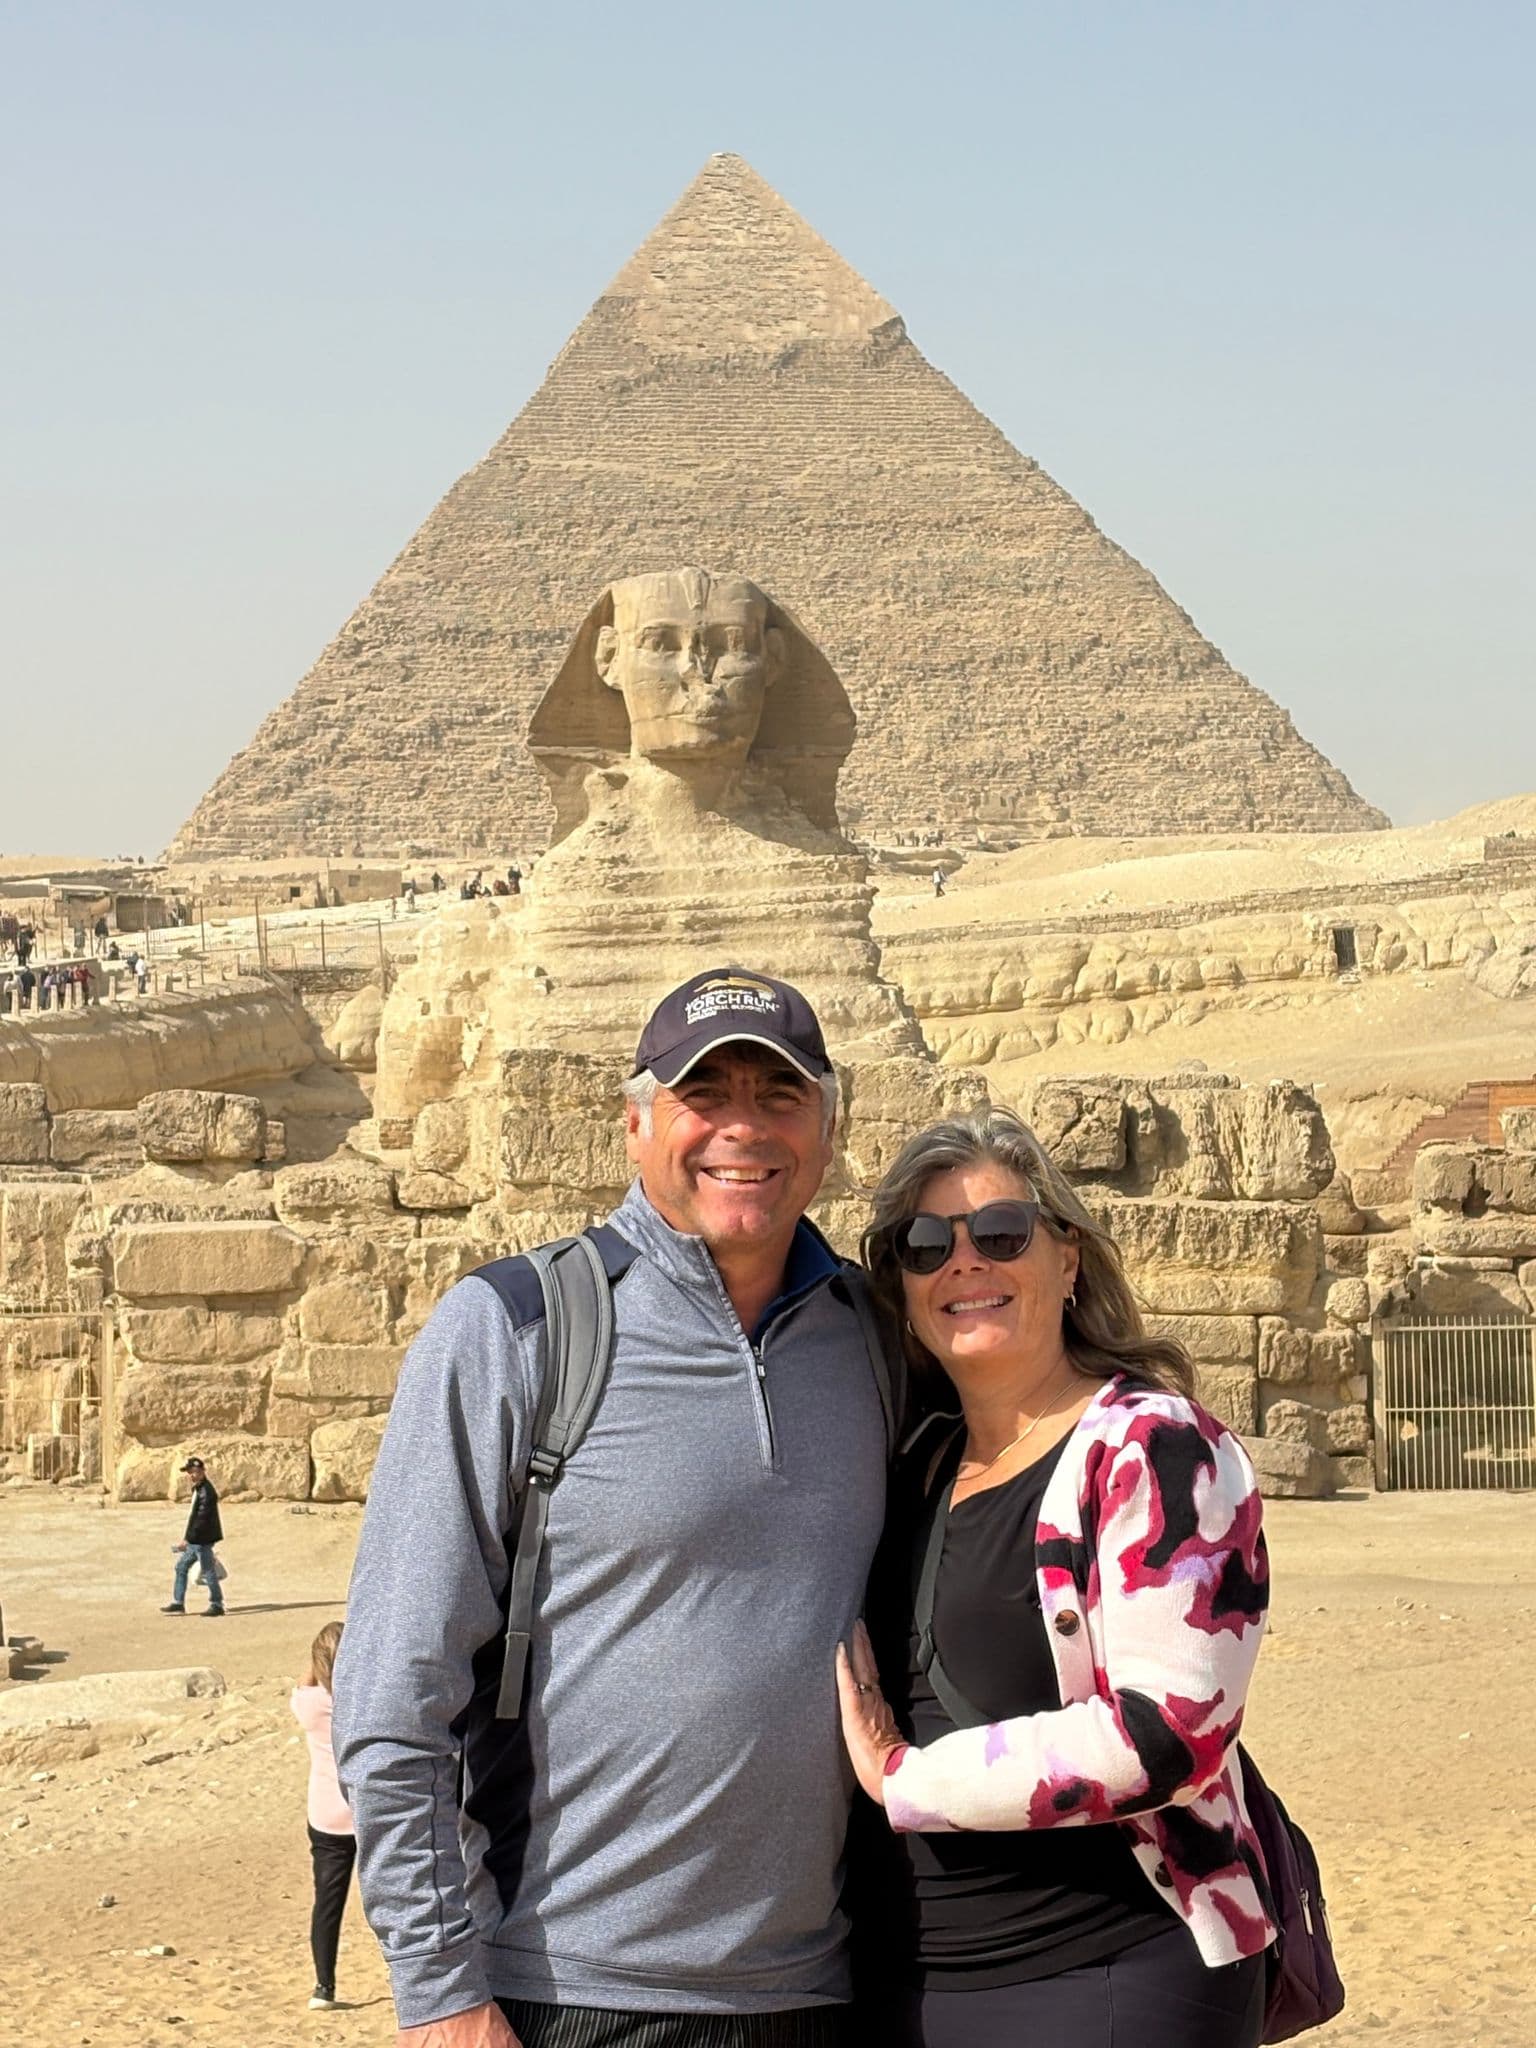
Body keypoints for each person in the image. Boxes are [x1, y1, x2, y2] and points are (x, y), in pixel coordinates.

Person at [334, 966, 892, 2048]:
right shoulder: (517, 1329)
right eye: (703, 1093)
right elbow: (395, 1682)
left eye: (780, 1094)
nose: (743, 1126)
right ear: (635, 1123)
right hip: (567, 1989)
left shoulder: (871, 1336)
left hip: (818, 1991)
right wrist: (440, 1990)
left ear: (829, 1128)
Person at [836, 1107, 1272, 2048]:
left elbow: (1170, 1733)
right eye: (926, 1244)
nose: (964, 1263)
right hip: (907, 1987)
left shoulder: (1155, 1448)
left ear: (1068, 1259)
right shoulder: (912, 1461)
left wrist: (908, 1779)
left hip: (1106, 1975)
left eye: (1002, 1233)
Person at [292, 1621, 356, 2013]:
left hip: (327, 1815)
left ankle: (324, 1986)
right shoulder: (365, 1703)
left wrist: (320, 1662)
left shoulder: (310, 1705)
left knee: (327, 1904)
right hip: (367, 1811)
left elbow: (304, 1682)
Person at [162, 1456, 225, 1616]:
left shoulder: (206, 1492)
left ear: (203, 1471)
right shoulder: (199, 1489)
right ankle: (178, 1602)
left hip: (202, 1540)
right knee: (181, 1567)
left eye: (195, 1472)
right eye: (190, 1472)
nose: (192, 1475)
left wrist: (188, 1540)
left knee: (208, 1571)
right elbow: (194, 1517)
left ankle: (217, 1604)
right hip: (196, 1539)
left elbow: (201, 1520)